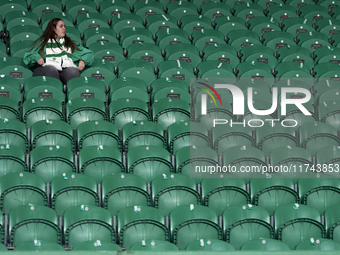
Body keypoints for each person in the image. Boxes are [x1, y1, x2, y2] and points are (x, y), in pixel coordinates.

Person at [24, 18, 94, 84]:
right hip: (46, 69)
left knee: (73, 71)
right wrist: (37, 58)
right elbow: (29, 54)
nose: (64, 28)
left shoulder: (69, 43)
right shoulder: (43, 42)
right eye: (61, 26)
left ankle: (72, 94)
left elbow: (88, 53)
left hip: (64, 70)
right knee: (51, 69)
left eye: (64, 26)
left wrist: (83, 61)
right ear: (54, 29)